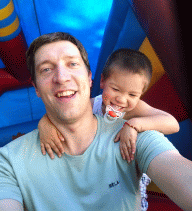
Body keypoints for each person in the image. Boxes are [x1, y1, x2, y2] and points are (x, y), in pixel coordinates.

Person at [0, 32, 192, 211]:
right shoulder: (8, 162)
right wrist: (44, 124)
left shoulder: (135, 131)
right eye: (46, 69)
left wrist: (134, 125)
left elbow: (171, 139)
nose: (61, 77)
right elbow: (69, 109)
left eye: (72, 64)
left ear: (90, 77)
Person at [38, 48, 180, 211]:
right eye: (116, 89)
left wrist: (133, 124)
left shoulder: (135, 110)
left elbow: (172, 123)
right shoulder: (91, 106)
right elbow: (59, 115)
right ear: (102, 81)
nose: (121, 99)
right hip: (98, 174)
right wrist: (44, 124)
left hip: (128, 181)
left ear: (141, 94)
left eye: (132, 95)